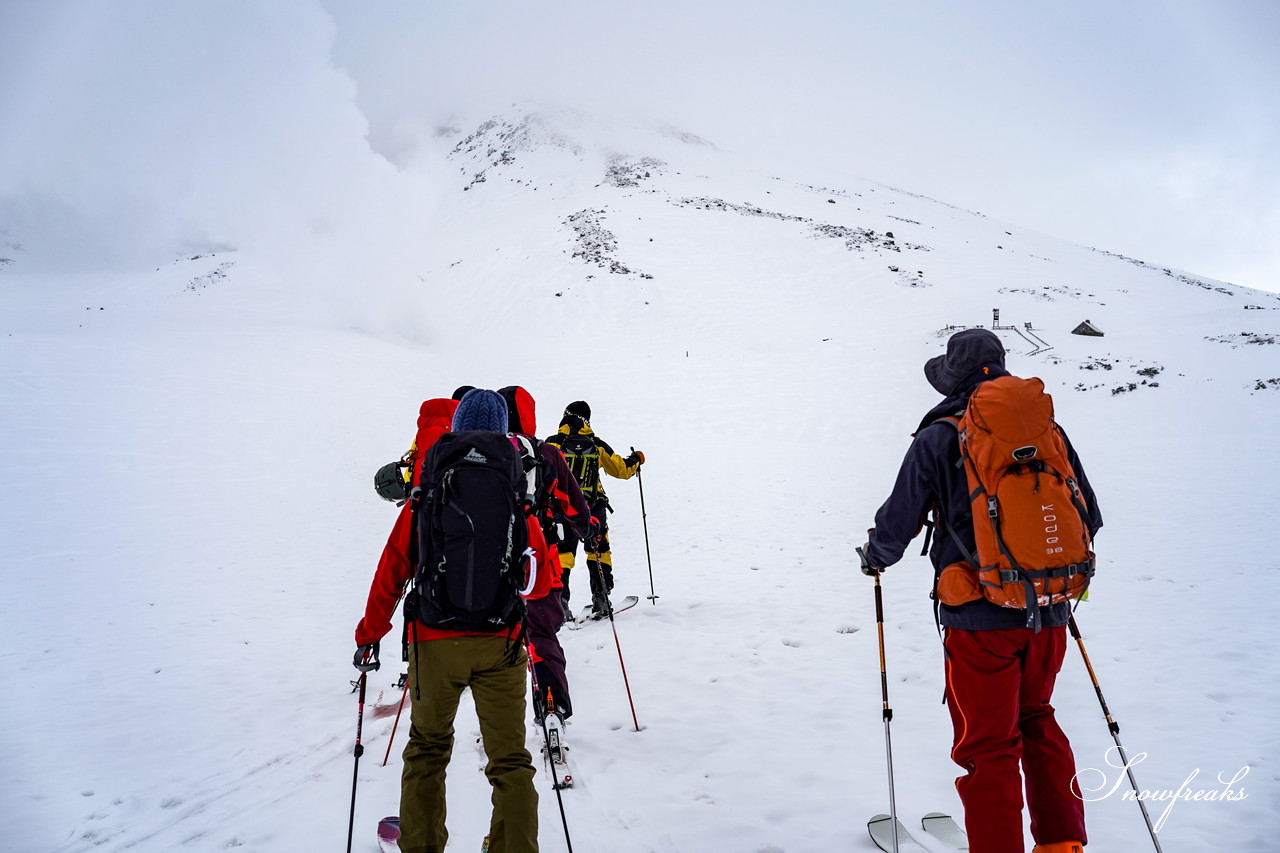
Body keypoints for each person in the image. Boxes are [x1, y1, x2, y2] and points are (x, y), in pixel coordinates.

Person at [861, 329, 1102, 853]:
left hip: (978, 622)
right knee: (1038, 721)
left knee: (989, 745)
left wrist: (873, 558)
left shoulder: (939, 435)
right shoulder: (1046, 429)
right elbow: (1091, 517)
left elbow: (898, 522)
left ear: (953, 378)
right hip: (1051, 612)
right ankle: (1062, 845)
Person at [355, 389, 538, 853]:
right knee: (511, 762)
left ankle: (421, 846)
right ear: (503, 430)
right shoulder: (515, 488)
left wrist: (370, 634)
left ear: (455, 427)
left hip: (434, 640)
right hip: (501, 640)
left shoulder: (429, 485)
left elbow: (394, 565)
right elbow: (541, 580)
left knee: (428, 750)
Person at [496, 385, 590, 721]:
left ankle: (498, 716)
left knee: (494, 637)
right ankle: (552, 699)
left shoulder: (480, 453)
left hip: (488, 563)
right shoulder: (546, 453)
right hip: (538, 558)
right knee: (540, 632)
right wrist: (585, 529)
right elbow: (572, 502)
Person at [542, 400, 643, 619]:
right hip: (593, 506)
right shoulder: (596, 444)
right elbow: (622, 470)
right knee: (599, 550)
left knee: (563, 554)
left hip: (561, 508)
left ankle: (561, 602)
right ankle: (601, 598)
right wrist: (637, 459)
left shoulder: (552, 444)